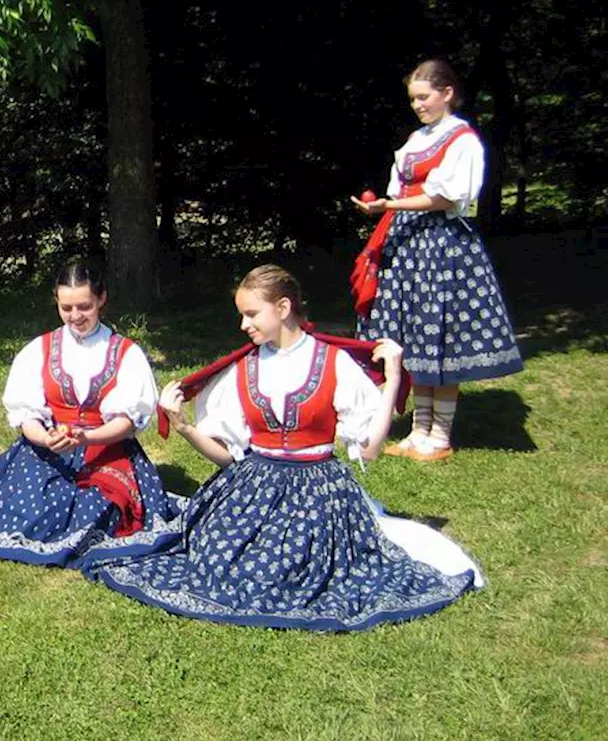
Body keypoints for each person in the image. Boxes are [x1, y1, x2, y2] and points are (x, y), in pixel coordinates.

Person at [89, 266, 482, 632]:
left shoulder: (332, 362)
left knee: (284, 571)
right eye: (242, 315)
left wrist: (393, 379)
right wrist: (185, 426)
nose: (244, 325)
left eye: (251, 314)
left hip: (317, 491)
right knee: (217, 562)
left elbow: (371, 449)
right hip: (251, 488)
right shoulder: (244, 369)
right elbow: (228, 458)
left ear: (283, 307)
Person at [0, 261, 183, 569]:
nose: (75, 317)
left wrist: (86, 437)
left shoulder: (126, 353)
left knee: (98, 511)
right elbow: (26, 417)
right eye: (66, 307)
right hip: (46, 450)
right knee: (31, 512)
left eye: (84, 307)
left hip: (108, 451)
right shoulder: (39, 349)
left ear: (102, 299)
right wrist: (45, 438)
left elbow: (127, 424)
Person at [350, 59, 524, 461]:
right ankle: (418, 430)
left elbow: (447, 197)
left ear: (447, 93)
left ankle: (440, 435)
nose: (418, 105)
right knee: (414, 338)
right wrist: (389, 209)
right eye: (413, 99)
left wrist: (391, 205)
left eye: (424, 97)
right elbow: (402, 185)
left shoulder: (463, 140)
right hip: (408, 245)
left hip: (443, 246)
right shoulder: (416, 139)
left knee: (439, 336)